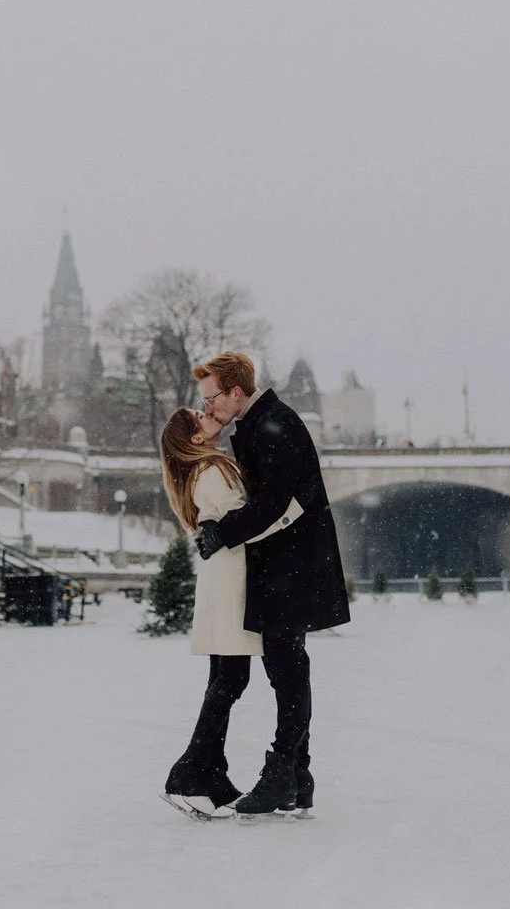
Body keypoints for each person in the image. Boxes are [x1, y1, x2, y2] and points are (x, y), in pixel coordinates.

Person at [192, 351, 351, 819]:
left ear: (236, 391)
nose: (208, 407)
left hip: (293, 565)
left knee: (287, 668)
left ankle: (284, 771)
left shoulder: (275, 425)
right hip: (285, 564)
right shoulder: (260, 424)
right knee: (286, 667)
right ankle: (297, 776)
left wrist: (223, 531)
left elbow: (276, 502)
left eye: (212, 397)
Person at [157, 407, 304, 821]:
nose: (208, 415)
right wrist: (290, 509)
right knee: (230, 677)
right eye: (199, 418)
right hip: (233, 579)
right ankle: (187, 773)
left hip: (222, 578)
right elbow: (245, 524)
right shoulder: (213, 471)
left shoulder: (200, 472)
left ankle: (211, 775)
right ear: (196, 437)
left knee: (224, 677)